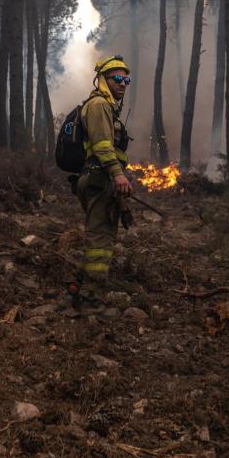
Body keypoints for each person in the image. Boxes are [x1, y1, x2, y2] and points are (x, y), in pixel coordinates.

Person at [68, 55, 134, 311]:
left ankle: (78, 288)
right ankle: (92, 299)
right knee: (101, 242)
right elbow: (102, 146)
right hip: (98, 179)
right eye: (117, 78)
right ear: (103, 80)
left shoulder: (106, 107)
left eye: (126, 79)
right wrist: (118, 174)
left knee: (99, 237)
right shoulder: (98, 106)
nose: (123, 84)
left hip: (99, 180)